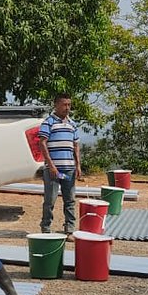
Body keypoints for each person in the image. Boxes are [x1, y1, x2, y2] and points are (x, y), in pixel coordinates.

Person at [39, 93, 81, 236]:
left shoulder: (72, 124)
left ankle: (69, 229)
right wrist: (51, 165)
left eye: (69, 105)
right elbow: (42, 143)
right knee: (50, 200)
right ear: (56, 105)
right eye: (64, 104)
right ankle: (45, 228)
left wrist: (78, 166)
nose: (67, 108)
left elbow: (76, 145)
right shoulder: (48, 122)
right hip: (53, 170)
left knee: (70, 200)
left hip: (68, 169)